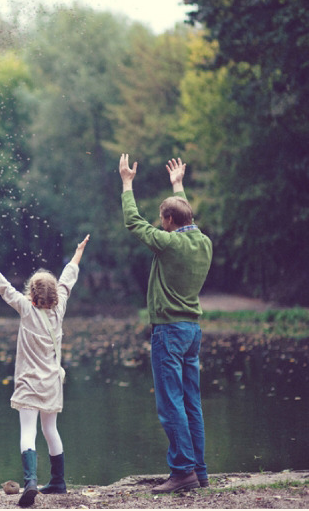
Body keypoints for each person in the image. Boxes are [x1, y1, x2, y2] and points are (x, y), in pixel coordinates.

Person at [0, 235, 89, 507]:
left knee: (28, 431)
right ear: (54, 294)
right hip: (53, 381)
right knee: (51, 430)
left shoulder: (25, 309)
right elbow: (68, 278)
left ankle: (30, 481)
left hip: (29, 382)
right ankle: (58, 481)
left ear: (31, 293)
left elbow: (3, 287)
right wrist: (78, 253)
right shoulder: (60, 307)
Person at [118, 154, 212, 494]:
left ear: (169, 220)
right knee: (191, 402)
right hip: (192, 332)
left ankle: (182, 471)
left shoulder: (168, 243)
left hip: (169, 332)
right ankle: (198, 471)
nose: (159, 223)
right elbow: (185, 217)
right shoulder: (203, 243)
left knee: (170, 402)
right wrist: (177, 186)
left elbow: (133, 222)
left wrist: (127, 183)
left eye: (162, 218)